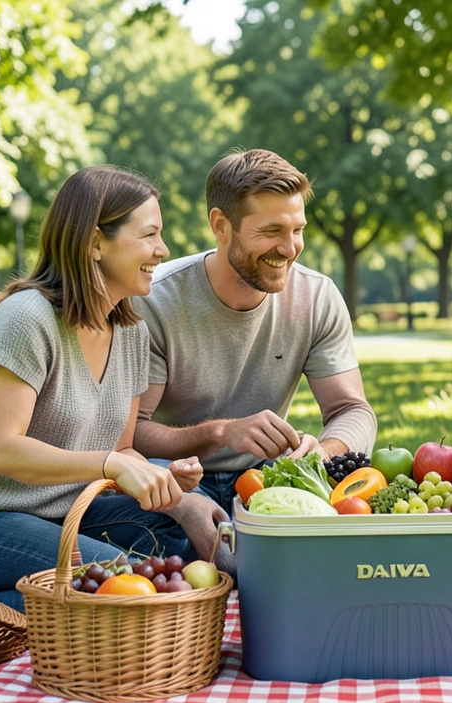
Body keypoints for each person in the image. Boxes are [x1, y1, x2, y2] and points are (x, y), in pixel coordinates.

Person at [0, 166, 227, 614]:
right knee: (128, 585)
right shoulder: (26, 320)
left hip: (68, 511)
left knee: (183, 547)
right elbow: (2, 452)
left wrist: (170, 489)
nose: (163, 249)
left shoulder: (130, 329)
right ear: (95, 242)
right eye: (149, 235)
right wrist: (113, 463)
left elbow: (119, 453)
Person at [131, 149, 376, 510]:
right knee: (178, 549)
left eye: (297, 230)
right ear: (220, 226)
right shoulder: (156, 300)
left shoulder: (317, 296)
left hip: (265, 474)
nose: (290, 248)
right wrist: (222, 433)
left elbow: (353, 410)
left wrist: (325, 451)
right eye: (271, 231)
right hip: (172, 476)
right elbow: (131, 431)